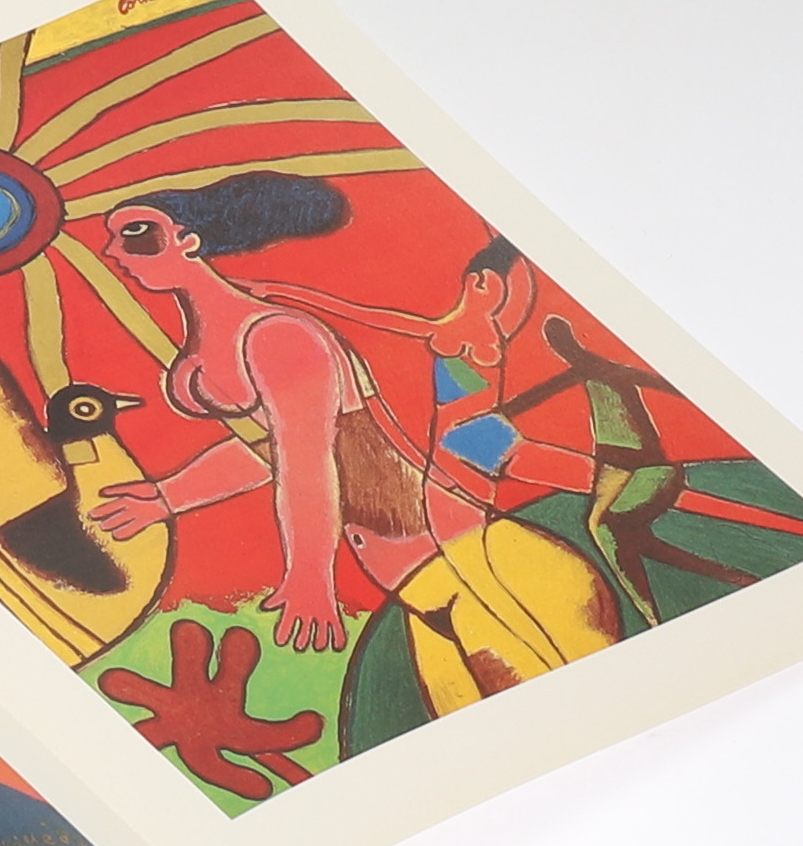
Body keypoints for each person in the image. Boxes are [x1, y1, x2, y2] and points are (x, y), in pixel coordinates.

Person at [81, 172, 616, 705]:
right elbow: (267, 454)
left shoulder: (278, 337)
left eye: (138, 235)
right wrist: (170, 496)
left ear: (188, 240)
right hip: (418, 590)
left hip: (482, 565)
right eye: (114, 237)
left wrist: (310, 575)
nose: (114, 251)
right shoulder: (207, 351)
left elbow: (307, 458)